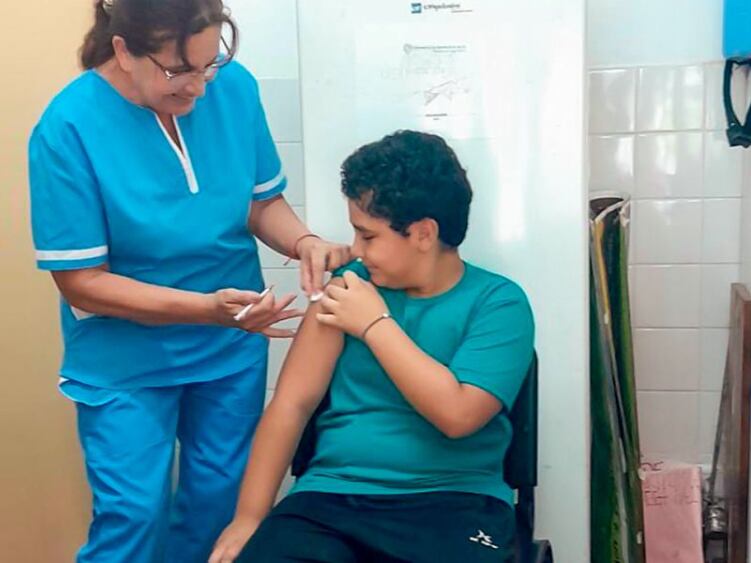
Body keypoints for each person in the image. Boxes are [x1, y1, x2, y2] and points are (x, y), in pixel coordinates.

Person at [27, 1, 349, 561]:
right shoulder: (68, 128)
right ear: (124, 51)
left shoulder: (234, 87)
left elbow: (260, 202)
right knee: (133, 517)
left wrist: (304, 242)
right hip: (126, 359)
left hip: (229, 346)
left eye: (209, 65)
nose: (199, 88)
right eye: (179, 71)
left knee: (217, 511)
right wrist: (205, 308)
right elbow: (80, 282)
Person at [210, 130, 535, 563]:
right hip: (331, 499)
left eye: (368, 236)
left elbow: (457, 416)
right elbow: (291, 404)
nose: (355, 249)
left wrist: (375, 325)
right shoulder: (347, 288)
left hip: (455, 501)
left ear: (423, 233)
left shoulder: (498, 303)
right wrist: (248, 517)